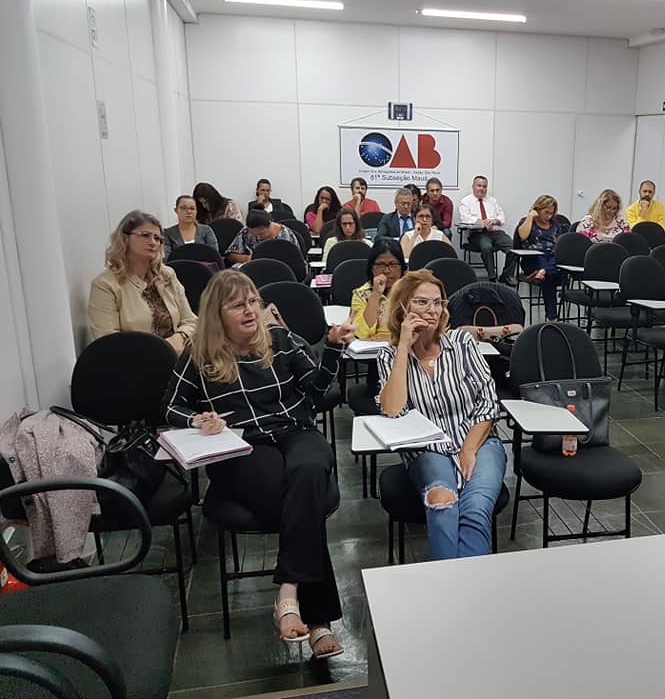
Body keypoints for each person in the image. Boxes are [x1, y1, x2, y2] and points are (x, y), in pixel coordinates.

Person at [162, 271, 355, 659]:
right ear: (217, 314)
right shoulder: (199, 352)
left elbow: (316, 392)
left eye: (253, 301)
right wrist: (198, 419)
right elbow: (170, 406)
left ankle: (288, 591)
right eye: (238, 305)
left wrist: (332, 349)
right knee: (302, 501)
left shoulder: (280, 339)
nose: (250, 310)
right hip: (242, 443)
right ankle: (319, 622)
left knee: (309, 471)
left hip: (295, 430)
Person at [377, 270, 506, 560]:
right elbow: (393, 410)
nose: (432, 310)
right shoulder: (389, 355)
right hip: (426, 449)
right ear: (402, 307)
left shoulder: (462, 343)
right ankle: (454, 581)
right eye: (421, 302)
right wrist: (403, 348)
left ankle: (459, 583)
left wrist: (468, 450)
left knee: (475, 510)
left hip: (479, 442)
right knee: (442, 502)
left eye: (437, 302)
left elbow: (488, 402)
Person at [88, 210, 196, 352]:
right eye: (145, 235)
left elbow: (192, 321)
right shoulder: (105, 285)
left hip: (178, 354)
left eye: (157, 238)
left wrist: (179, 337)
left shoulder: (167, 275)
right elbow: (108, 342)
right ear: (125, 238)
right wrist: (158, 349)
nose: (153, 242)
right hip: (136, 360)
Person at [458, 175, 517, 286]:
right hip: (477, 234)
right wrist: (481, 222)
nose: (482, 189)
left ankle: (506, 275)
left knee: (513, 247)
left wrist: (494, 221)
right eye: (479, 186)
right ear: (473, 186)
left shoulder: (492, 201)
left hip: (495, 232)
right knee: (487, 247)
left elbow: (502, 217)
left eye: (484, 186)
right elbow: (465, 218)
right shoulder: (466, 201)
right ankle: (492, 277)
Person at [517, 195, 564, 321]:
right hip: (532, 259)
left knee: (553, 265)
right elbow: (522, 236)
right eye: (546, 212)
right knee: (550, 275)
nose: (549, 216)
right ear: (538, 209)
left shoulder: (555, 225)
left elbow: (559, 244)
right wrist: (530, 217)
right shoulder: (527, 221)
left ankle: (543, 271)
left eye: (551, 213)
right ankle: (552, 318)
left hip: (552, 258)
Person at [351, 240, 407, 340]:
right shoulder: (361, 294)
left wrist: (390, 338)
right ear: (372, 268)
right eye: (380, 265)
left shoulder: (413, 290)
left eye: (393, 265)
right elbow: (360, 333)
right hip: (372, 347)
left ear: (402, 267)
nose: (386, 271)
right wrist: (376, 294)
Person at [225, 206, 300, 265]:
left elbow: (296, 259)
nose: (258, 237)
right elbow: (231, 255)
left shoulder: (285, 234)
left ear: (270, 224)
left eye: (261, 234)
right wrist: (250, 258)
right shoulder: (245, 232)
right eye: (253, 235)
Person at [163, 195, 219, 259]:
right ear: (176, 210)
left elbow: (215, 255)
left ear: (196, 211)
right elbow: (167, 258)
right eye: (183, 208)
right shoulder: (168, 233)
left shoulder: (206, 230)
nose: (189, 211)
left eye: (192, 208)